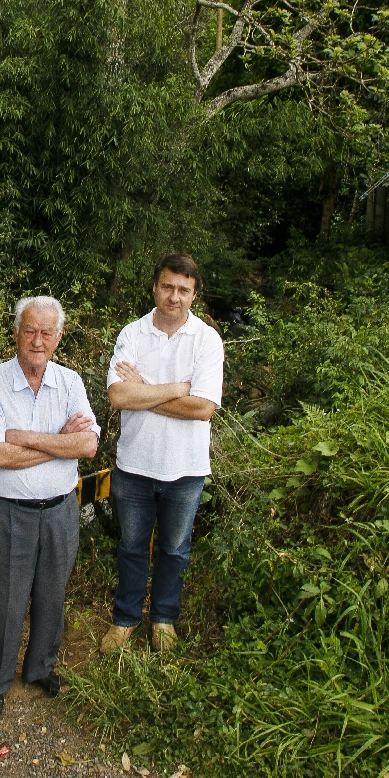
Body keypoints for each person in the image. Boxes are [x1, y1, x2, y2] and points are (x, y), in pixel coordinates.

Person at [0, 296, 100, 722]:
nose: (38, 340)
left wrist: (26, 437)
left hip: (62, 510)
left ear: (59, 337)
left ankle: (40, 668)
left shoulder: (70, 383)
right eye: (30, 330)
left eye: (47, 332)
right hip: (9, 514)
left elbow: (87, 444)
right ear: (16, 333)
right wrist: (58, 441)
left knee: (52, 597)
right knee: (6, 606)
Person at [101, 254, 223, 653]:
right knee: (132, 547)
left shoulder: (206, 340)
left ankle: (164, 619)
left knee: (174, 549)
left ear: (194, 295)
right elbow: (119, 394)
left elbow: (203, 408)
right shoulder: (132, 334)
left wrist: (146, 390)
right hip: (134, 465)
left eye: (183, 290)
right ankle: (125, 620)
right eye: (167, 286)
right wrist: (177, 388)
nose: (174, 296)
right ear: (154, 287)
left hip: (186, 469)